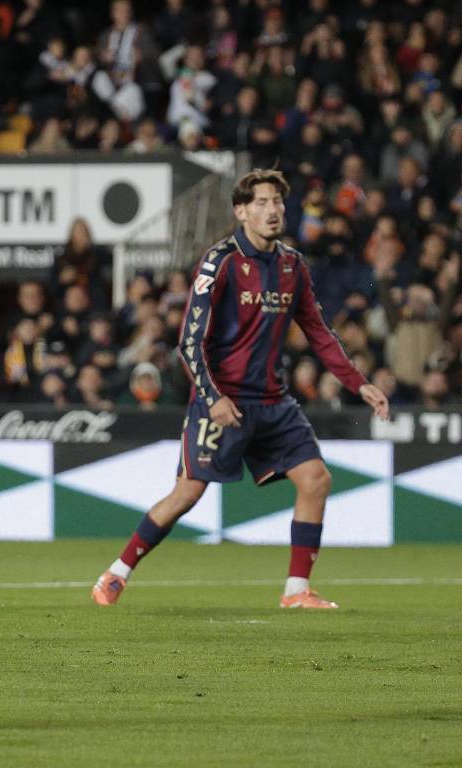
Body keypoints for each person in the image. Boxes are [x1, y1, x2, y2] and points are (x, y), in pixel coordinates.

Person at [91, 169, 390, 610]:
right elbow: (189, 341)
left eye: (277, 203)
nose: (272, 211)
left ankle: (296, 590)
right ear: (241, 210)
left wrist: (358, 383)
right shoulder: (220, 262)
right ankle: (117, 573)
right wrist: (212, 398)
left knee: (315, 479)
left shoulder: (292, 265)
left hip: (273, 400)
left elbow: (319, 331)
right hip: (222, 400)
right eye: (262, 203)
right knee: (187, 494)